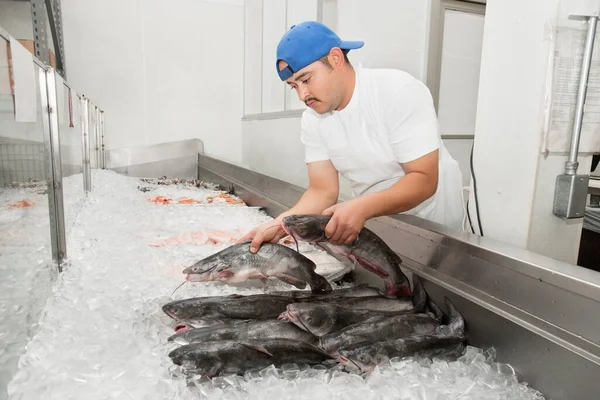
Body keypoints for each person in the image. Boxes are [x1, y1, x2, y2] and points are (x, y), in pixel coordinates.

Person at [238, 21, 465, 253]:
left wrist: (360, 208)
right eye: (293, 86)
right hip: (381, 218)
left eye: (306, 80)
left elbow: (423, 179)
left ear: (335, 59)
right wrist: (279, 225)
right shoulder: (313, 119)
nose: (302, 95)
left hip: (434, 225)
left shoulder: (397, 91)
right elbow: (322, 190)